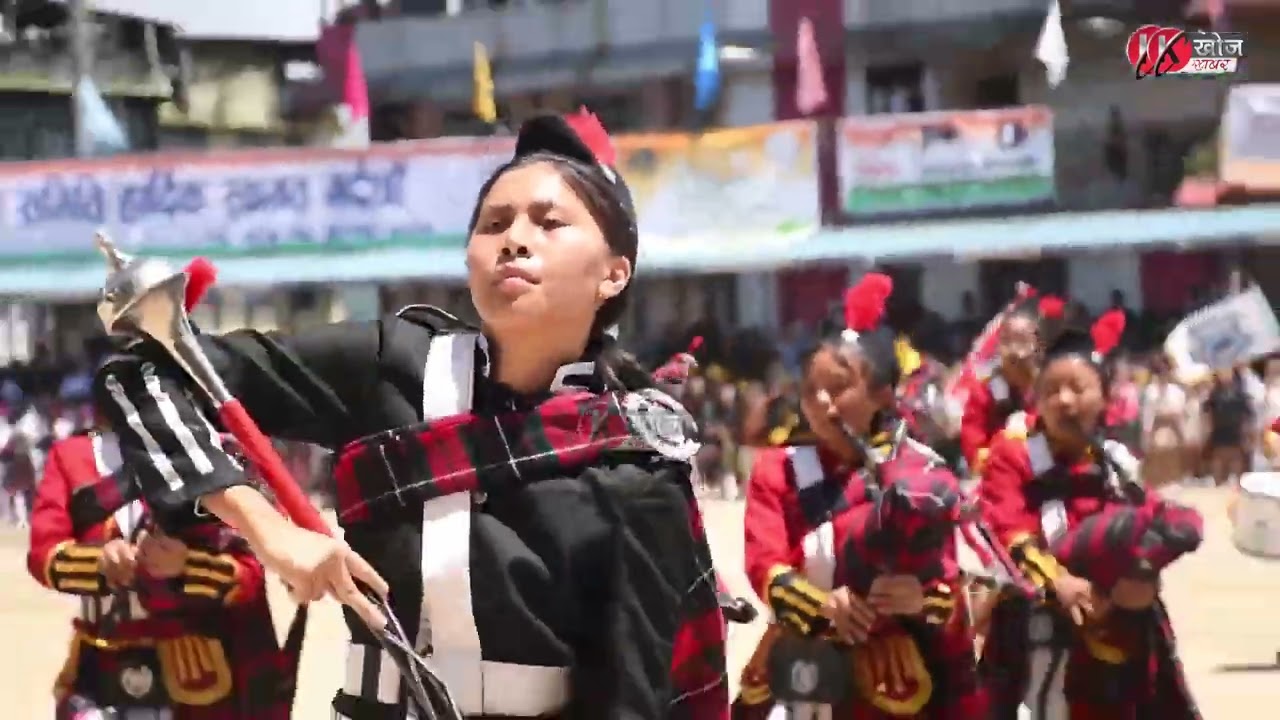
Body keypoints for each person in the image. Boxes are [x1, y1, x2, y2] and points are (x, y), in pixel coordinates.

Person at [93, 110, 727, 719]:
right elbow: (145, 370)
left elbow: (635, 695)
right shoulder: (391, 364)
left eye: (548, 222)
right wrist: (266, 528)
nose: (514, 240)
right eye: (494, 223)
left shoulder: (637, 463)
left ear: (613, 274)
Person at [734, 273, 984, 720]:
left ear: (882, 393)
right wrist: (823, 604)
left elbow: (947, 584)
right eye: (812, 391)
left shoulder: (921, 473)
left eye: (840, 389)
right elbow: (764, 566)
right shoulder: (780, 468)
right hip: (800, 662)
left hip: (889, 669)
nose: (824, 405)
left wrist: (918, 597)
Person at [977, 310, 1202, 720]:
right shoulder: (1012, 456)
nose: (1064, 400)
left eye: (1077, 388)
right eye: (1051, 390)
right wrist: (1057, 582)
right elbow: (1004, 529)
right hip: (1034, 629)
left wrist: (1138, 578)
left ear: (1103, 397)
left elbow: (1154, 527)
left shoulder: (1118, 465)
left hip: (1113, 632)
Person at [27, 425, 297, 719]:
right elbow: (44, 556)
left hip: (197, 678)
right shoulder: (71, 455)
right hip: (98, 668)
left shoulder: (215, 450)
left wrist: (186, 567)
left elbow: (249, 576)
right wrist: (101, 562)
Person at [959, 295, 1064, 477]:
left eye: (1022, 341)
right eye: (1007, 341)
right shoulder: (986, 389)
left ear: (1038, 346)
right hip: (1000, 472)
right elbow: (973, 446)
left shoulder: (1051, 387)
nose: (1015, 351)